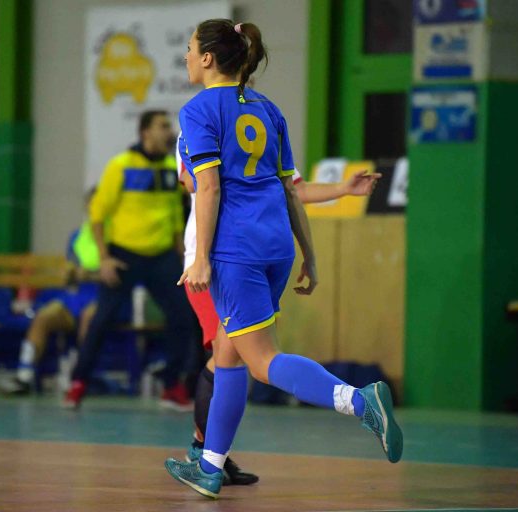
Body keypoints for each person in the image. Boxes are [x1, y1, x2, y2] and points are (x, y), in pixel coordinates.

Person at [164, 19, 403, 498]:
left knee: (261, 361)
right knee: (228, 356)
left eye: (189, 49)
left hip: (235, 251)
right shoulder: (268, 110)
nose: (186, 57)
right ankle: (209, 466)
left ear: (208, 58)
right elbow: (291, 191)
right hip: (275, 246)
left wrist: (201, 257)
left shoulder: (198, 111)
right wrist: (308, 255)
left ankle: (360, 402)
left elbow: (206, 186)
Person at [176, 137, 381, 486]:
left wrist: (343, 190)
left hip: (250, 256)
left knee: (235, 359)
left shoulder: (261, 125)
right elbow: (195, 182)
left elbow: (293, 189)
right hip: (211, 263)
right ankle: (205, 455)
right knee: (237, 357)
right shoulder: (203, 121)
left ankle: (209, 460)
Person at [63, 110, 195, 410]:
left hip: (162, 257)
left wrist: (183, 256)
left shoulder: (171, 168)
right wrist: (105, 259)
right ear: (145, 132)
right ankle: (78, 383)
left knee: (182, 317)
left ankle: (171, 386)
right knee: (101, 320)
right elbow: (98, 215)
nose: (169, 131)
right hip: (124, 256)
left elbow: (176, 217)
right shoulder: (120, 166)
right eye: (163, 126)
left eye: (169, 126)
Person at [3, 191, 100, 396]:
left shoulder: (116, 236)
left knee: (89, 318)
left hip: (102, 296)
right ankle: (24, 375)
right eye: (91, 205)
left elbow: (121, 274)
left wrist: (91, 275)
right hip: (75, 296)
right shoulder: (77, 237)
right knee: (44, 316)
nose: (95, 209)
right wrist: (69, 273)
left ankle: (81, 377)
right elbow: (70, 271)